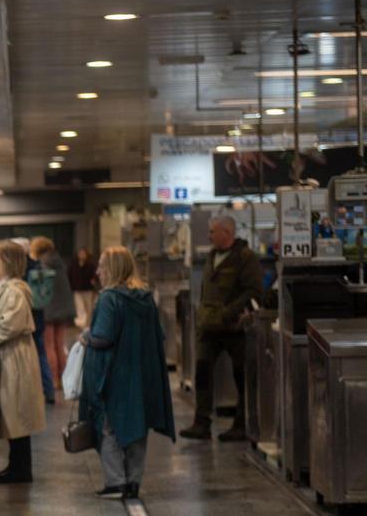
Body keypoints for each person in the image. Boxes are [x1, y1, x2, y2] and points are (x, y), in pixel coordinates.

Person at [79, 247, 175, 500]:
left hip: (115, 372)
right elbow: (159, 335)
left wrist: (86, 336)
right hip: (141, 372)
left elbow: (103, 337)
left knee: (108, 427)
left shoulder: (110, 298)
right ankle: (133, 481)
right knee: (137, 426)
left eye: (101, 265)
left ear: (112, 268)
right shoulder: (144, 297)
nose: (98, 271)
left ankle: (115, 482)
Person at [179, 214, 263, 441]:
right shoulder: (212, 256)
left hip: (234, 329)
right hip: (209, 327)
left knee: (241, 376)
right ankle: (201, 422)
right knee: (203, 374)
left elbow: (254, 290)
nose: (208, 235)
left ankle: (242, 423)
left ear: (227, 232)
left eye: (212, 231)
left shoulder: (245, 257)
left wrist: (231, 312)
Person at [0, 240, 46, 484]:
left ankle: (21, 470)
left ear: (7, 263)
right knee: (12, 414)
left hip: (16, 358)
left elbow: (10, 325)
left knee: (18, 415)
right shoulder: (2, 288)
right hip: (8, 356)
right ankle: (16, 466)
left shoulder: (15, 291)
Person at [16, 237, 56, 404]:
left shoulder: (21, 269)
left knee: (29, 357)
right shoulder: (37, 265)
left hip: (27, 319)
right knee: (41, 354)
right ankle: (49, 391)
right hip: (38, 317)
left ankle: (31, 394)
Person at [30, 237, 74, 389]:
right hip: (63, 308)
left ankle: (53, 380)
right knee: (60, 345)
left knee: (48, 346)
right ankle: (64, 379)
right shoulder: (59, 262)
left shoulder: (42, 264)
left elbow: (40, 290)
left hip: (48, 309)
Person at [69, 248, 99, 328]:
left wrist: (93, 281)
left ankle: (88, 323)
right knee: (80, 307)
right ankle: (82, 323)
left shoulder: (91, 265)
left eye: (83, 253)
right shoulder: (74, 264)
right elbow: (70, 274)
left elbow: (95, 275)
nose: (81, 255)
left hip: (88, 288)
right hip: (77, 288)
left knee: (88, 307)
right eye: (80, 253)